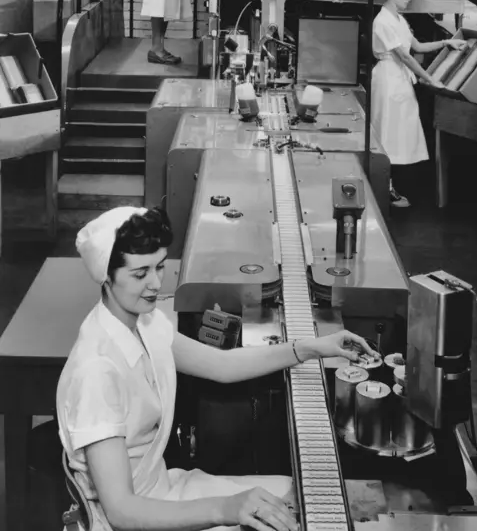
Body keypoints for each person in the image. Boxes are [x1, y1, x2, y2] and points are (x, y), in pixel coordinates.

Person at [57, 206, 378, 531]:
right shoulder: (96, 372)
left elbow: (220, 365)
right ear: (106, 277)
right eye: (140, 274)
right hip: (137, 519)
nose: (155, 283)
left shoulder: (145, 323)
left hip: (165, 492)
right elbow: (122, 512)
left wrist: (308, 348)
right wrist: (225, 509)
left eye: (160, 266)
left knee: (300, 498)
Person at [371, 0, 466, 208]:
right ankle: (384, 188)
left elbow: (417, 46)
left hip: (399, 80)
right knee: (387, 133)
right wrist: (430, 79)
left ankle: (387, 186)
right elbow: (404, 56)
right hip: (389, 79)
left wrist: (447, 42)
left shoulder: (399, 19)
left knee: (397, 133)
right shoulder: (382, 21)